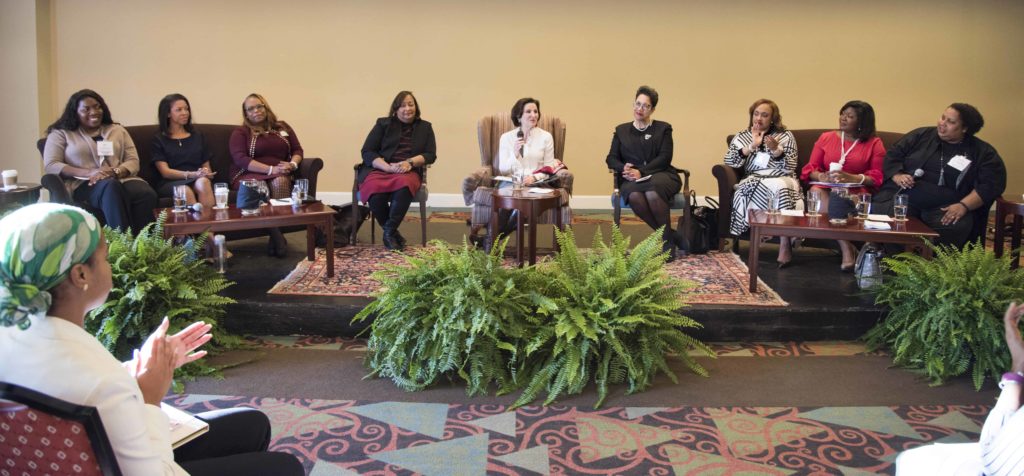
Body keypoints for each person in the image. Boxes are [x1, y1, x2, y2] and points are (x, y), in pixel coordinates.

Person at [0, 203, 303, 476]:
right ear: (81, 275)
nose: (111, 266)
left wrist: (138, 369)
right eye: (105, 258)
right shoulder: (104, 384)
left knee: (250, 424)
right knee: (284, 467)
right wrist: (149, 399)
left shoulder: (17, 335)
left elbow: (73, 385)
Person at [895, 301, 1024, 476]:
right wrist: (1018, 369)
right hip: (990, 456)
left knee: (914, 461)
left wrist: (1018, 369)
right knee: (913, 459)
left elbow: (994, 455)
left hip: (990, 462)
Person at [874, 103, 1006, 247]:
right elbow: (893, 155)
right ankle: (896, 264)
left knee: (957, 225)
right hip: (906, 200)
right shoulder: (921, 135)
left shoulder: (983, 152)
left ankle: (935, 267)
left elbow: (990, 185)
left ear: (965, 128)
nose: (942, 123)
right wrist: (897, 175)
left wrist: (963, 206)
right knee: (892, 219)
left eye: (951, 122)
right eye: (943, 118)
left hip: (946, 208)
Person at [42, 89, 158, 234]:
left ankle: (146, 246)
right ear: (75, 112)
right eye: (86, 109)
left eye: (97, 107)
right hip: (84, 183)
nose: (94, 112)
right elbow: (52, 165)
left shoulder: (117, 130)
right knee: (110, 187)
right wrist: (90, 172)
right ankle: (123, 247)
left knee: (145, 193)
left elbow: (133, 160)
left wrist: (116, 171)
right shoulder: (61, 133)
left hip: (121, 178)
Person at [800, 100, 886, 271]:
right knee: (816, 190)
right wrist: (821, 175)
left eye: (850, 116)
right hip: (825, 186)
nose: (843, 119)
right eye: (842, 114)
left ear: (862, 122)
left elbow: (877, 176)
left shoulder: (874, 143)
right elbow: (810, 168)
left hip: (855, 189)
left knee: (840, 193)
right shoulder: (826, 137)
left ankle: (850, 249)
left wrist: (853, 178)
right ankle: (846, 246)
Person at [606, 85, 682, 260]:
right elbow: (611, 158)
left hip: (662, 175)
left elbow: (665, 158)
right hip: (632, 179)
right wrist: (622, 168)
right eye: (637, 104)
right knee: (634, 195)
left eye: (645, 106)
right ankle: (670, 237)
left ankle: (667, 243)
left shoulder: (663, 129)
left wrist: (641, 171)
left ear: (652, 109)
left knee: (652, 193)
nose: (640, 109)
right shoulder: (621, 130)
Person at [723, 99, 801, 267]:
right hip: (755, 178)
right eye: (756, 114)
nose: (759, 118)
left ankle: (785, 242)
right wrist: (751, 146)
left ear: (773, 118)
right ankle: (763, 236)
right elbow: (730, 161)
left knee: (780, 186)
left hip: (782, 177)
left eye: (764, 115)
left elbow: (790, 166)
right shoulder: (742, 136)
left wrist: (775, 150)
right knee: (747, 188)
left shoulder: (785, 136)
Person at [358, 91, 437, 251]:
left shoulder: (425, 127)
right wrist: (387, 166)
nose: (407, 108)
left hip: (407, 171)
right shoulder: (382, 124)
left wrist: (410, 162)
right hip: (381, 169)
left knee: (404, 184)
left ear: (416, 107)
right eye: (402, 105)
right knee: (374, 192)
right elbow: (367, 151)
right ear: (395, 109)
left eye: (411, 104)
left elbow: (430, 154)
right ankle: (393, 233)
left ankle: (388, 233)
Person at [228, 93, 304, 257]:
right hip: (249, 173)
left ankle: (275, 234)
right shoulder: (241, 132)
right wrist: (270, 170)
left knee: (280, 182)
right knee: (257, 186)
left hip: (280, 173)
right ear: (246, 113)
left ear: (265, 107)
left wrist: (292, 164)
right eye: (251, 109)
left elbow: (297, 150)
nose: (256, 111)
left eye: (259, 106)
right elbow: (240, 159)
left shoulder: (282, 127)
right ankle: (277, 236)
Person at [494, 97, 563, 234]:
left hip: (536, 184)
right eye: (528, 112)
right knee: (507, 200)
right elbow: (503, 169)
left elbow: (549, 167)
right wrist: (515, 154)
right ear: (519, 116)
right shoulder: (506, 138)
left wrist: (534, 178)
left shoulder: (546, 137)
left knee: (525, 203)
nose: (533, 115)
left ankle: (489, 240)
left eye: (535, 111)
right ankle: (492, 239)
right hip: (512, 182)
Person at [152, 94, 216, 209]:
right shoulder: (159, 139)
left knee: (204, 182)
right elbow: (165, 172)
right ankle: (195, 227)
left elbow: (206, 166)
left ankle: (210, 225)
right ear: (168, 113)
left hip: (197, 178)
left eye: (186, 109)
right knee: (184, 190)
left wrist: (205, 173)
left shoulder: (198, 136)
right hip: (171, 182)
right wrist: (191, 174)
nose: (185, 113)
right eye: (179, 110)